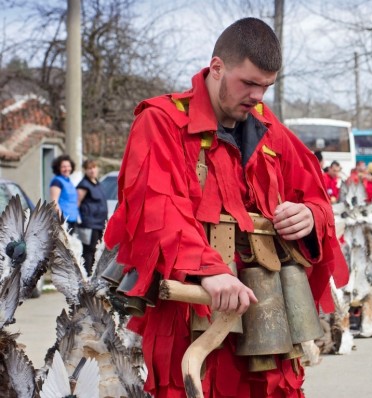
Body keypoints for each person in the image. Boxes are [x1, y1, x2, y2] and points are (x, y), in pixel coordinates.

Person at [103, 18, 348, 398]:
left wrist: (310, 215)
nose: (257, 96)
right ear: (216, 67)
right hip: (192, 310)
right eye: (248, 83)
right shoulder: (162, 121)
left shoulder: (270, 129)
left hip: (268, 312)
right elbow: (156, 209)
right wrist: (209, 270)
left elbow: (316, 196)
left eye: (266, 86)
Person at [76, 159, 108, 276]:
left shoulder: (97, 183)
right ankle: (86, 276)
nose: (92, 170)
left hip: (99, 224)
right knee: (88, 251)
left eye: (94, 167)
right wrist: (77, 221)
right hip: (88, 224)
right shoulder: (84, 185)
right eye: (89, 168)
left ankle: (94, 275)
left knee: (97, 251)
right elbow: (77, 202)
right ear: (85, 170)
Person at [49, 154, 80, 231]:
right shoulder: (57, 182)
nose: (67, 169)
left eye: (68, 166)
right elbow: (54, 202)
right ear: (58, 168)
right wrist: (62, 221)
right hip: (64, 221)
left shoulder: (68, 181)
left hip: (73, 219)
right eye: (63, 167)